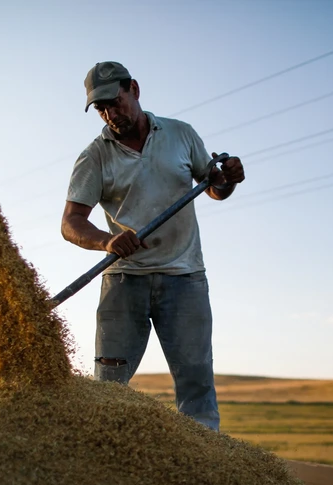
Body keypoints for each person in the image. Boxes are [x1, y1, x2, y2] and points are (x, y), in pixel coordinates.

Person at [63, 62, 245, 431]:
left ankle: (205, 465)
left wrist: (228, 182)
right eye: (101, 109)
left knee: (196, 383)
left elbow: (212, 186)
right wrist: (107, 240)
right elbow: (71, 223)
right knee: (109, 388)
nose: (111, 114)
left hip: (185, 277)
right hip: (124, 280)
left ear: (135, 90)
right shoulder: (95, 155)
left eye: (115, 102)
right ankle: (103, 459)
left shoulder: (181, 134)